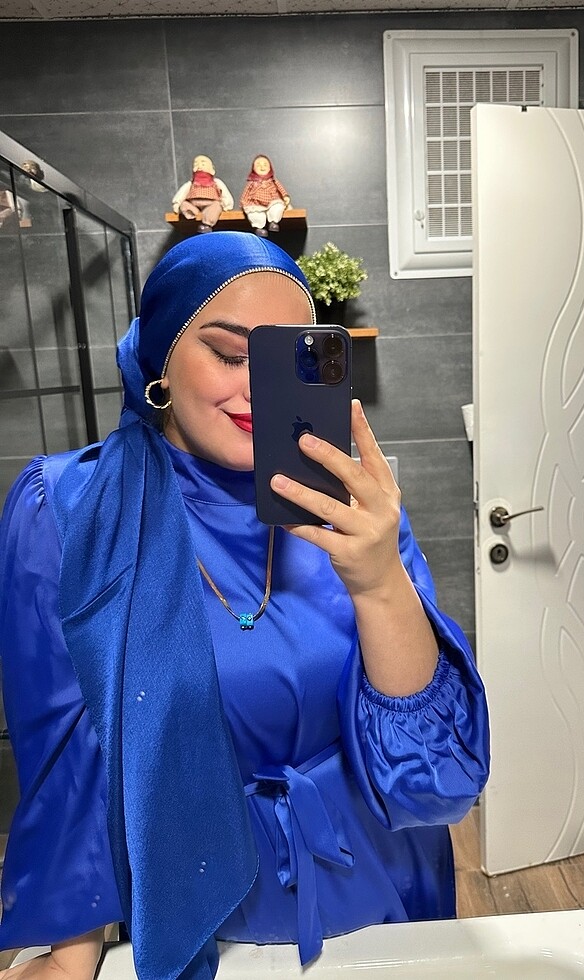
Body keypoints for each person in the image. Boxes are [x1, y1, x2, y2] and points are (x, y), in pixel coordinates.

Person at [0, 232, 490, 980]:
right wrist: (71, 953)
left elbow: (437, 784)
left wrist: (378, 579)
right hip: (203, 915)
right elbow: (69, 746)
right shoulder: (70, 511)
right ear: (161, 358)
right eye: (231, 355)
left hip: (385, 896)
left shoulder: (354, 510)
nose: (260, 388)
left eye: (287, 359)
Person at [172, 155, 234, 233]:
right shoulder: (191, 183)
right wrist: (177, 203)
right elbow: (182, 193)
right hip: (193, 204)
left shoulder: (216, 182)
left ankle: (207, 224)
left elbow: (224, 193)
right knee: (184, 204)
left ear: (212, 170)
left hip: (211, 203)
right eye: (196, 164)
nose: (199, 166)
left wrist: (227, 204)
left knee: (217, 206)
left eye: (203, 164)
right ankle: (190, 213)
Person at [239, 155, 290, 237]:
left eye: (265, 165)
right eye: (258, 165)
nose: (262, 167)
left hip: (272, 202)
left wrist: (285, 196)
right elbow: (246, 193)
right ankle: (259, 228)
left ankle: (273, 222)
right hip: (256, 204)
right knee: (255, 215)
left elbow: (281, 189)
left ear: (270, 168)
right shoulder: (252, 183)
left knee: (277, 207)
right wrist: (243, 203)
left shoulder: (273, 181)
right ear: (253, 168)